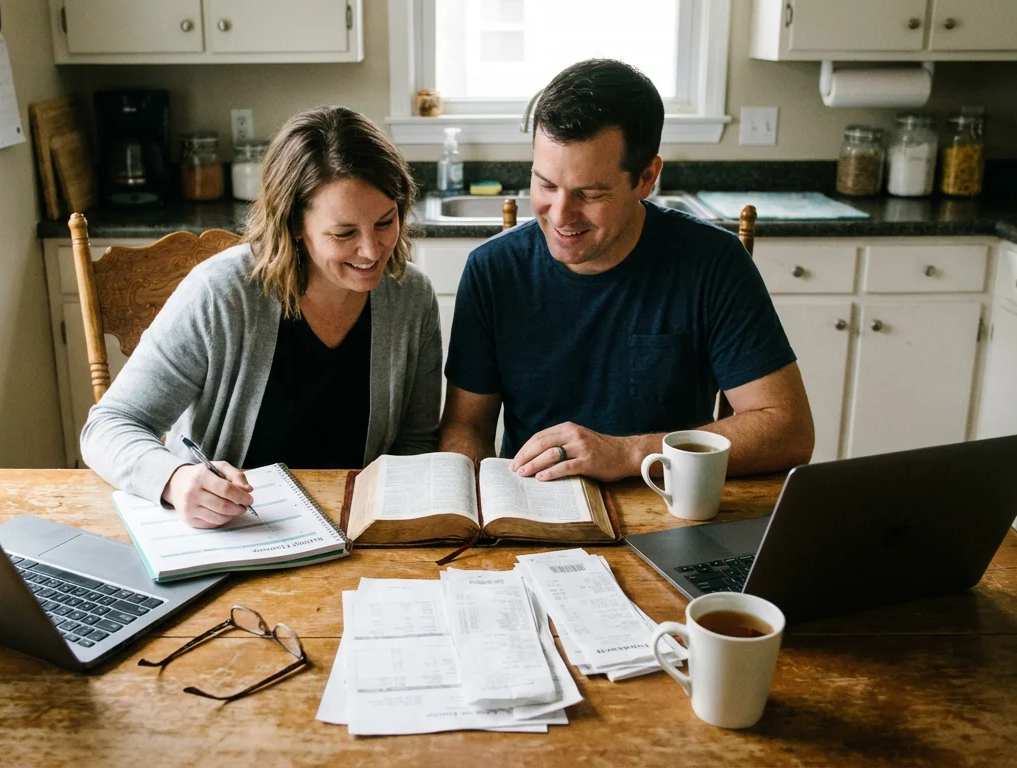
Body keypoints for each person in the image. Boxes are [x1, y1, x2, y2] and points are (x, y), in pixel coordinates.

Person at [440, 59, 814, 482]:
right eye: (545, 185)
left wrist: (630, 453)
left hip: (666, 508)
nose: (561, 215)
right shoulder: (492, 270)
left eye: (590, 193)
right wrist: (473, 499)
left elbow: (789, 430)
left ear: (646, 178)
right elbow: (465, 426)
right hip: (534, 507)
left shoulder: (713, 263)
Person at [81, 106, 441, 529]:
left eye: (386, 221)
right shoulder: (221, 293)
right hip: (231, 532)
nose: (371, 250)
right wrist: (176, 480)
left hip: (355, 536)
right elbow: (108, 425)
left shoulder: (410, 298)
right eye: (344, 233)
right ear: (293, 223)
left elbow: (415, 443)